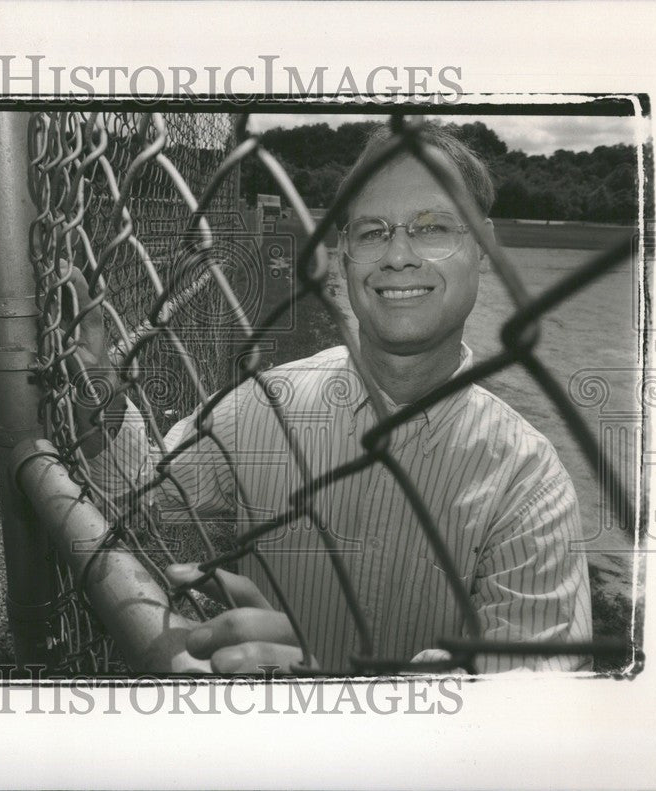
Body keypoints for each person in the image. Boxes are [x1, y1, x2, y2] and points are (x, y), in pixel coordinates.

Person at [69, 122, 592, 674]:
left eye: (433, 227)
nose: (398, 255)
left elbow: (526, 708)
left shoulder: (529, 482)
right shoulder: (262, 404)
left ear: (483, 246)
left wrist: (331, 697)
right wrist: (96, 392)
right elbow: (143, 492)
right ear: (344, 256)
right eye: (372, 232)